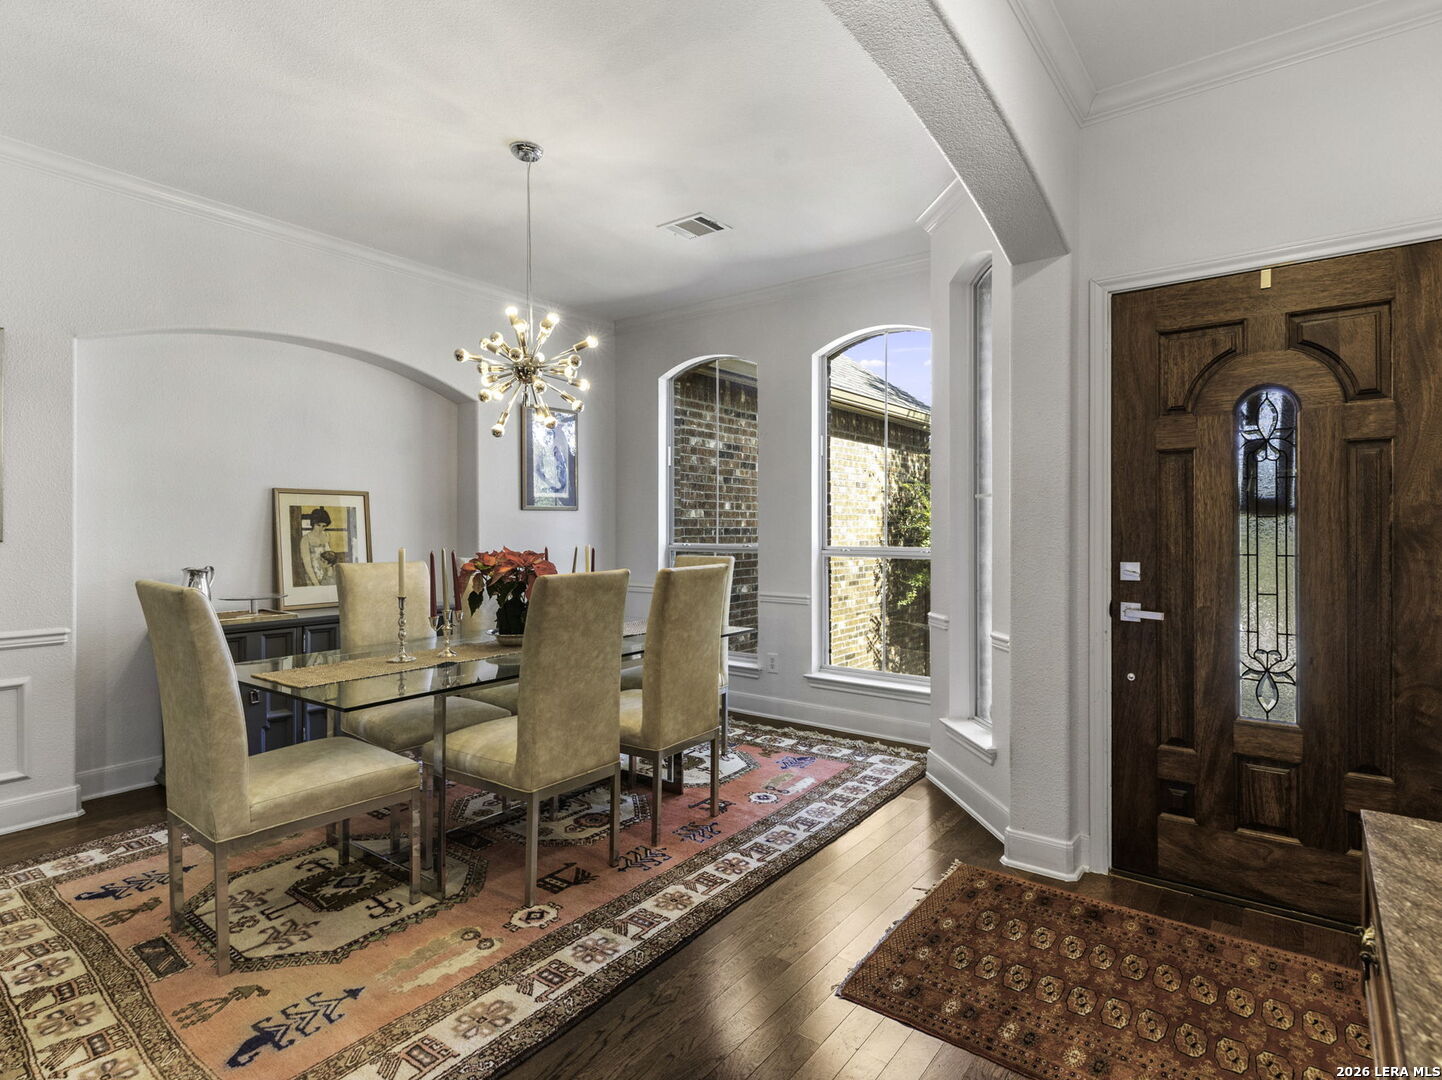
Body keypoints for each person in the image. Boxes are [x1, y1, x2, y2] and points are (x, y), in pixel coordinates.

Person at [299, 507, 336, 586]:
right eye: (318, 525)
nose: (321, 529)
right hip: (313, 575)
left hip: (327, 574)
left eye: (324, 526)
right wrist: (316, 583)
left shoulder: (327, 536)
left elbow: (331, 557)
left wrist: (330, 574)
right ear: (313, 523)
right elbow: (307, 565)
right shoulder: (305, 539)